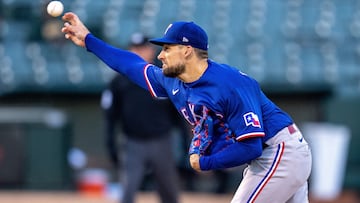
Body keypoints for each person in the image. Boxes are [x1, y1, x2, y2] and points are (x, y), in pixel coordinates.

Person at [61, 12, 312, 203]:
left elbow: (251, 145)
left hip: (280, 152)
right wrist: (89, 40)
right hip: (269, 158)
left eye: (168, 48)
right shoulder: (172, 81)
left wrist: (206, 163)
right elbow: (130, 65)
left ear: (188, 51)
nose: (160, 55)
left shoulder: (231, 84)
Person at [100, 32, 180, 203]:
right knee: (128, 191)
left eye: (143, 48)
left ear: (151, 51)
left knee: (169, 192)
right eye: (135, 48)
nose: (139, 52)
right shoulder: (119, 81)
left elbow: (177, 113)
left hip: (161, 141)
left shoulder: (163, 77)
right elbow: (111, 116)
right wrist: (110, 144)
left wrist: (186, 141)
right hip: (132, 142)